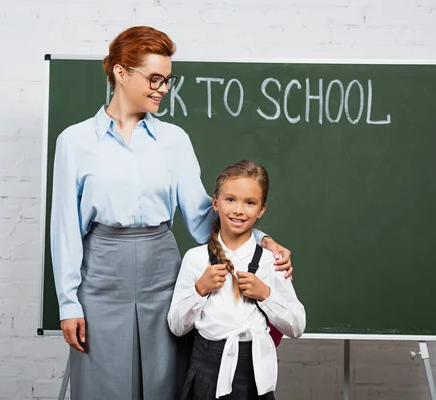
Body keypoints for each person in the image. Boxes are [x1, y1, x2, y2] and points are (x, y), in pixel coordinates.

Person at [50, 26, 293, 400]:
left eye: (167, 80)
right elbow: (66, 229)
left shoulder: (174, 140)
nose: (163, 88)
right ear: (120, 72)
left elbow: (202, 218)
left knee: (165, 384)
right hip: (99, 280)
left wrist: (263, 244)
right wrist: (69, 303)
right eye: (155, 78)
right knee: (102, 387)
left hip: (163, 277)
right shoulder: (74, 142)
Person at [168, 160, 306, 399]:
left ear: (261, 209)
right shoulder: (195, 259)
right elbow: (177, 326)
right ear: (215, 203)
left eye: (250, 203)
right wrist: (199, 290)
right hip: (206, 369)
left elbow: (297, 325)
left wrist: (266, 295)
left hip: (254, 371)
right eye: (230, 199)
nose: (239, 210)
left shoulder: (271, 261)